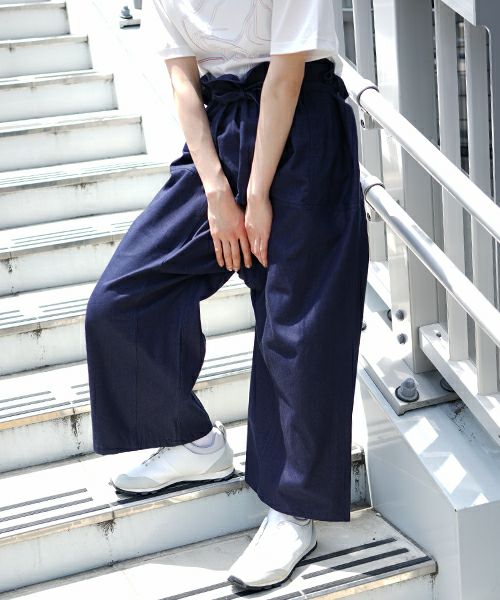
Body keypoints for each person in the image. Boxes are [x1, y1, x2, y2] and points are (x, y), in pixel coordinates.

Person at [84, 0, 369, 591]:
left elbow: (286, 75)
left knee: (297, 327)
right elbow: (182, 81)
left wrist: (257, 194)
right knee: (123, 298)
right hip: (220, 131)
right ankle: (193, 442)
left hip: (303, 123)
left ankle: (293, 510)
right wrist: (217, 191)